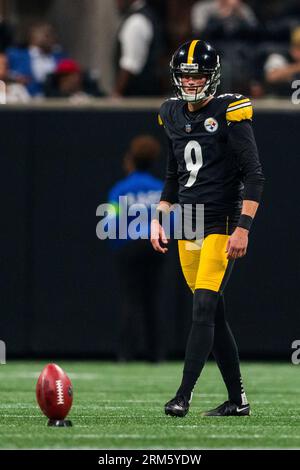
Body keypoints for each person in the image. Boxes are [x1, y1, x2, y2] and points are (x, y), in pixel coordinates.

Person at [151, 39, 265, 416]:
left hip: (222, 220)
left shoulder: (229, 109)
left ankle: (182, 395)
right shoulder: (170, 113)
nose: (192, 83)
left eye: (198, 75)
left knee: (202, 308)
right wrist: (159, 215)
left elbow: (254, 175)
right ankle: (238, 401)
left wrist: (244, 227)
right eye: (186, 76)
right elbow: (173, 173)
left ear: (212, 75)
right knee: (213, 313)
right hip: (187, 221)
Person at [108, 135, 165, 362]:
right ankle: (157, 354)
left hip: (129, 247)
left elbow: (111, 222)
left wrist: (119, 245)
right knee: (153, 299)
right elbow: (170, 222)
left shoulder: (121, 189)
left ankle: (126, 354)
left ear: (131, 159)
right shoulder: (160, 189)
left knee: (131, 299)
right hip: (155, 247)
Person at [113, 0, 163, 97]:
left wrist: (117, 93)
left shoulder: (136, 20)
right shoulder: (149, 15)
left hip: (136, 98)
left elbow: (130, 66)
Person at [7, 23, 65, 97]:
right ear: (32, 36)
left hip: (53, 102)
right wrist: (14, 79)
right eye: (45, 34)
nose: (49, 38)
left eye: (51, 34)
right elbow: (5, 75)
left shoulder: (60, 57)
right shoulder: (14, 55)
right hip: (23, 101)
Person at [264, 26, 300, 97]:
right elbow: (271, 77)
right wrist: (296, 67)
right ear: (293, 47)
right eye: (298, 47)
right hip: (278, 103)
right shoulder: (279, 57)